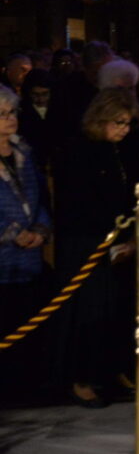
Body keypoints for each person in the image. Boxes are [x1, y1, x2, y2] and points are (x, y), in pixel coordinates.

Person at [53, 88, 139, 407]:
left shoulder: (119, 150)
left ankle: (108, 371)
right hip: (86, 241)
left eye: (128, 123)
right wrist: (111, 236)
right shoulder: (82, 149)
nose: (124, 129)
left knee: (115, 308)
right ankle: (81, 378)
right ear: (101, 119)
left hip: (114, 240)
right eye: (118, 122)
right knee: (88, 311)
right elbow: (82, 201)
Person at [0, 86, 52, 406]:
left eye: (13, 113)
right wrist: (11, 232)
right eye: (3, 115)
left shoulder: (24, 153)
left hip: (29, 259)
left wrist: (41, 230)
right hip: (2, 261)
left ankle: (27, 389)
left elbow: (41, 198)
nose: (10, 119)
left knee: (28, 328)